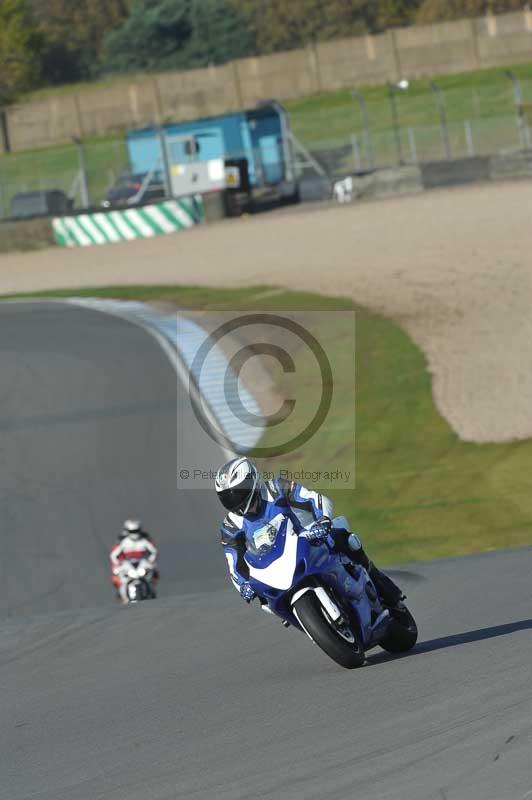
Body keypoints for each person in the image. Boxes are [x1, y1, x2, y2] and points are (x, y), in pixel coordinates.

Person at [215, 457, 403, 608]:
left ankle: (384, 587)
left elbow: (315, 499)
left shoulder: (277, 488)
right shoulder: (230, 526)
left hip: (310, 539)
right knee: (267, 601)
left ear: (252, 481)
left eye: (237, 492)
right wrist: (243, 585)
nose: (234, 501)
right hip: (273, 567)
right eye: (227, 497)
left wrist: (322, 520)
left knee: (347, 540)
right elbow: (234, 563)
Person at [110, 519, 159, 602]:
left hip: (141, 563)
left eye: (136, 531)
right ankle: (124, 598)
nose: (134, 534)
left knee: (152, 576)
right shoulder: (123, 542)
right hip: (128, 565)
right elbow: (113, 555)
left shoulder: (144, 541)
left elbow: (154, 551)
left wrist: (151, 561)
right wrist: (117, 565)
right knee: (120, 580)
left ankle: (151, 593)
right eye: (132, 531)